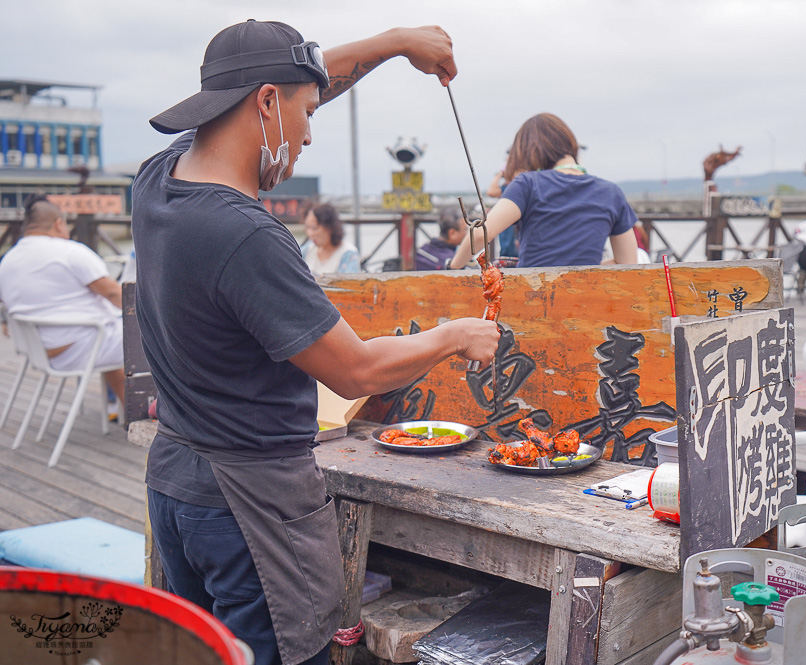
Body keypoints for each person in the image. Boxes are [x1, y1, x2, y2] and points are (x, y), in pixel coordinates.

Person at [132, 20, 499, 665]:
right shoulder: (245, 236)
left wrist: (395, 43)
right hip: (249, 510)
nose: (308, 133)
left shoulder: (157, 180)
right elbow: (355, 372)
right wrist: (454, 335)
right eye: (305, 112)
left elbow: (284, 84)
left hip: (175, 488)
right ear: (267, 102)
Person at [449, 113, 638, 269]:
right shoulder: (612, 192)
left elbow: (482, 234)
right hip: (586, 306)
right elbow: (627, 264)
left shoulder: (528, 184)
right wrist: (581, 271)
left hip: (534, 302)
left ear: (531, 151)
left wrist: (454, 267)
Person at [0, 194, 125, 404]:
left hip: (42, 350)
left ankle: (127, 408)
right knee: (164, 338)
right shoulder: (69, 252)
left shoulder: (8, 260)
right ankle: (159, 416)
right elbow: (115, 295)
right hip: (80, 346)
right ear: (59, 224)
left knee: (121, 338)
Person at [302, 202, 360, 275]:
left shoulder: (348, 253)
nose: (310, 233)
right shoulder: (308, 249)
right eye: (307, 228)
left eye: (314, 228)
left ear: (330, 227)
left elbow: (349, 283)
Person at [415, 205, 464, 270]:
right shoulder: (453, 261)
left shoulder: (421, 251)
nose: (467, 233)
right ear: (452, 233)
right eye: (465, 229)